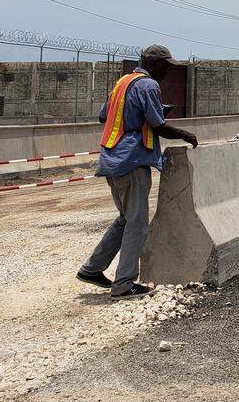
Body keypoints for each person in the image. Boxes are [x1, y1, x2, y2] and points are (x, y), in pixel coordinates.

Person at [76, 44, 198, 299]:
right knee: (137, 223)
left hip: (112, 159)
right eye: (165, 67)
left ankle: (92, 269)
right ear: (154, 63)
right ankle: (124, 284)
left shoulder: (122, 82)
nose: (166, 72)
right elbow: (158, 126)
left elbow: (103, 117)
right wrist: (185, 135)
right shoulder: (149, 85)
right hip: (132, 160)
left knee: (125, 218)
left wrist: (137, 115)